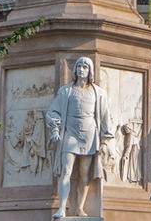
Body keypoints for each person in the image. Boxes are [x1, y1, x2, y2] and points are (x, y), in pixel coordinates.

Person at [46, 57, 114, 219]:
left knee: (84, 174)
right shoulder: (66, 91)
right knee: (66, 170)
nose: (81, 69)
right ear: (75, 70)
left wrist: (106, 139)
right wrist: (55, 129)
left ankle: (80, 208)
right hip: (70, 133)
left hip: (90, 135)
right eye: (79, 66)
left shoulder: (99, 92)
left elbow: (105, 116)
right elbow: (53, 111)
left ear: (90, 71)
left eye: (85, 66)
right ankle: (62, 208)